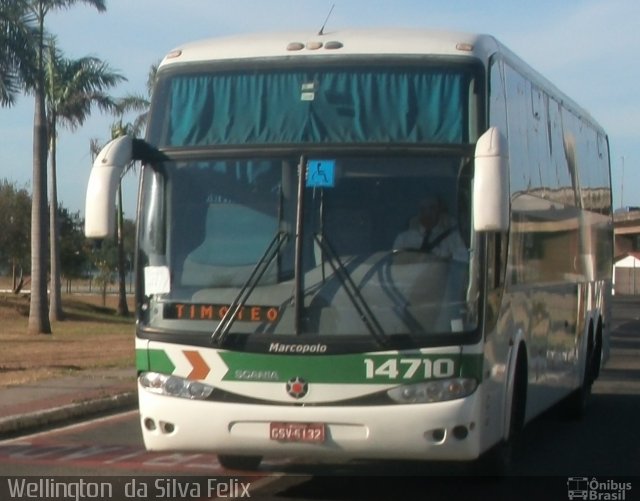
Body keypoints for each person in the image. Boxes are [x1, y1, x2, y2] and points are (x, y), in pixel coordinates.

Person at [393, 196, 468, 261]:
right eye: (423, 209)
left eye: (432, 208)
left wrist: (446, 257)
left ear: (439, 211)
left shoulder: (454, 238)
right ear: (418, 212)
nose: (427, 212)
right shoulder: (404, 239)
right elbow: (395, 263)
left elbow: (464, 260)